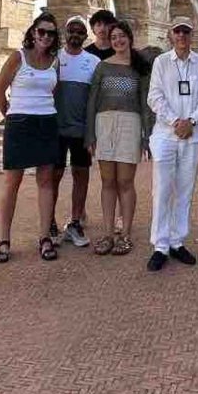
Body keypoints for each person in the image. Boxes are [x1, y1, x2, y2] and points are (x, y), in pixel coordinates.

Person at [0, 13, 62, 263]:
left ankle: (44, 237)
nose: (45, 36)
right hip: (20, 122)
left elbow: (54, 90)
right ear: (33, 32)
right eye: (41, 31)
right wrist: (10, 115)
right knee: (13, 182)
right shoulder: (17, 57)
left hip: (46, 121)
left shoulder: (55, 61)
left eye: (51, 33)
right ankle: (3, 239)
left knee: (46, 181)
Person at [144, 15, 198, 271]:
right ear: (171, 35)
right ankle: (160, 245)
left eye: (186, 31)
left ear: (191, 35)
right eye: (177, 32)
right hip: (165, 134)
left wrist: (191, 121)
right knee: (162, 189)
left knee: (185, 190)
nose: (182, 36)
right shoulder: (162, 63)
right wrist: (175, 121)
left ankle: (177, 241)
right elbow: (155, 97)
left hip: (192, 135)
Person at [84, 18, 151, 256]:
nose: (118, 41)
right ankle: (108, 233)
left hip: (130, 123)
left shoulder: (140, 66)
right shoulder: (102, 67)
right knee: (107, 181)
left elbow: (145, 104)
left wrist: (146, 136)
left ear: (129, 38)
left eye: (122, 36)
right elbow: (92, 101)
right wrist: (89, 134)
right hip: (104, 123)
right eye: (113, 38)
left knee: (125, 181)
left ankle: (126, 234)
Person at [52, 15, 101, 248]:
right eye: (71, 30)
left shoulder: (92, 61)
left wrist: (93, 131)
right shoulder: (54, 58)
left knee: (81, 174)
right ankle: (49, 220)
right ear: (65, 32)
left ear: (85, 36)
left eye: (80, 32)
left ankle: (75, 220)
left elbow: (96, 97)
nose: (75, 35)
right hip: (55, 127)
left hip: (81, 128)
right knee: (53, 175)